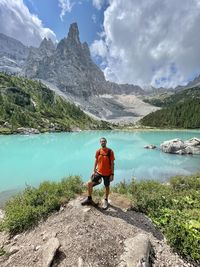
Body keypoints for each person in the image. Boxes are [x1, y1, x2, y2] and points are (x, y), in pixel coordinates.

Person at [81, 137, 115, 209]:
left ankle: (106, 200)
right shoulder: (98, 151)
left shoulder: (110, 151)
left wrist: (112, 174)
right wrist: (93, 170)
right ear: (100, 143)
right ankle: (89, 199)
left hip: (107, 173)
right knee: (89, 183)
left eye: (104, 141)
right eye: (101, 141)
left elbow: (112, 164)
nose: (103, 142)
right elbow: (96, 161)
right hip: (98, 172)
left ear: (106, 142)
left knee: (107, 187)